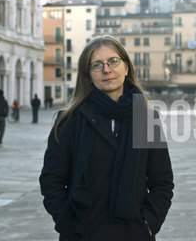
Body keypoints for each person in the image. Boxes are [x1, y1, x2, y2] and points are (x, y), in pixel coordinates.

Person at [39, 35, 174, 241]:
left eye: (113, 61)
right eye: (97, 65)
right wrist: (67, 221)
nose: (106, 69)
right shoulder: (69, 120)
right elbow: (51, 179)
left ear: (126, 67)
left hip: (133, 233)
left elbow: (162, 181)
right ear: (88, 74)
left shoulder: (146, 118)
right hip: (83, 233)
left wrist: (148, 223)